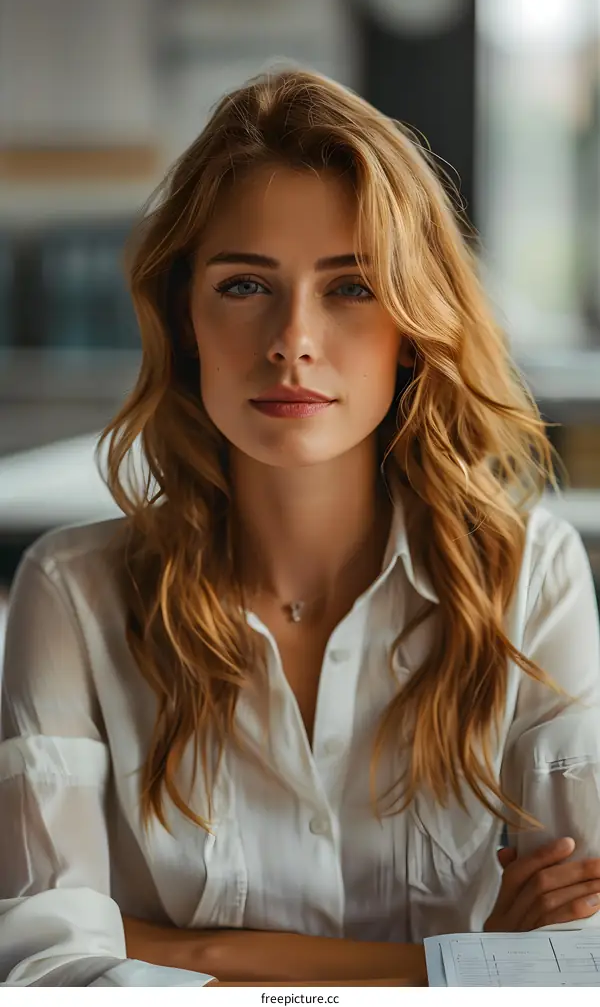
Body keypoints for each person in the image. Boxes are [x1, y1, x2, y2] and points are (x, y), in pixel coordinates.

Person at [1, 68, 600, 989]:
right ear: (184, 317)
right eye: (245, 285)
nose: (293, 340)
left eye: (352, 288)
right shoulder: (71, 593)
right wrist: (449, 966)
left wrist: (177, 949)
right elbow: (46, 965)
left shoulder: (531, 573)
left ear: (414, 323)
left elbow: (580, 960)